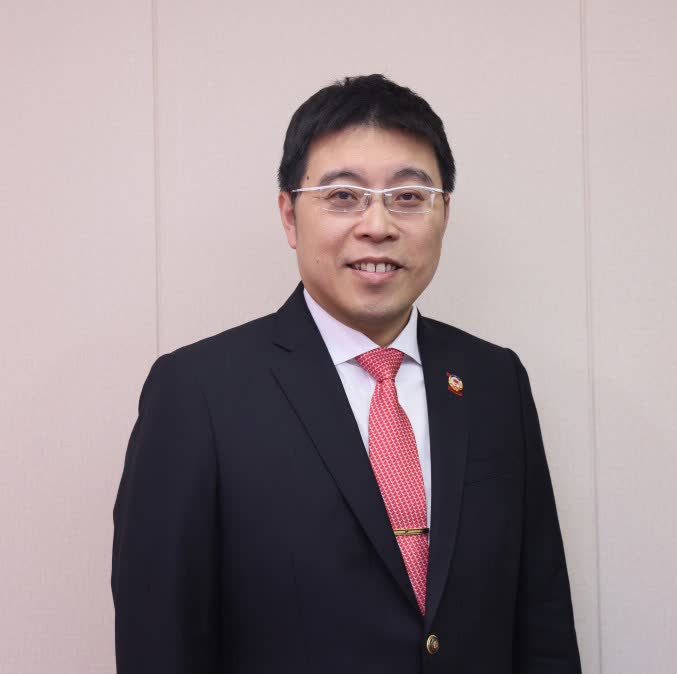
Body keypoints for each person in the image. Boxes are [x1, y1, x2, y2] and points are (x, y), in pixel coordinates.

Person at [111, 74, 581, 674]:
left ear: (444, 213)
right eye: (342, 196)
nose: (377, 225)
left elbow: (542, 618)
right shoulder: (198, 392)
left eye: (408, 196)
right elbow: (160, 639)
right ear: (289, 216)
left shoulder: (494, 380)